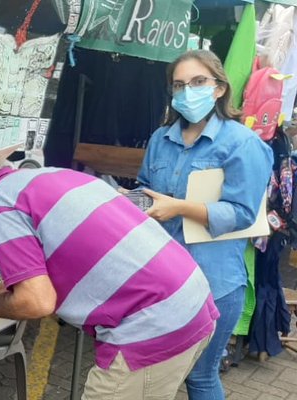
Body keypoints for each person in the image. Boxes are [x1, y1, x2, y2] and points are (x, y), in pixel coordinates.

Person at [0, 126, 219, 399]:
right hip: (191, 298)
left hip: (154, 322)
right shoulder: (49, 175)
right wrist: (17, 283)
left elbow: (37, 302)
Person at [137, 50, 273, 399]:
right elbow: (145, 189)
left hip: (212, 283)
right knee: (148, 370)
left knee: (200, 377)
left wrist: (180, 207)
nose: (187, 92)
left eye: (198, 82)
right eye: (179, 85)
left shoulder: (243, 144)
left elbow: (243, 213)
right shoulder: (160, 140)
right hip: (158, 280)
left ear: (219, 88)